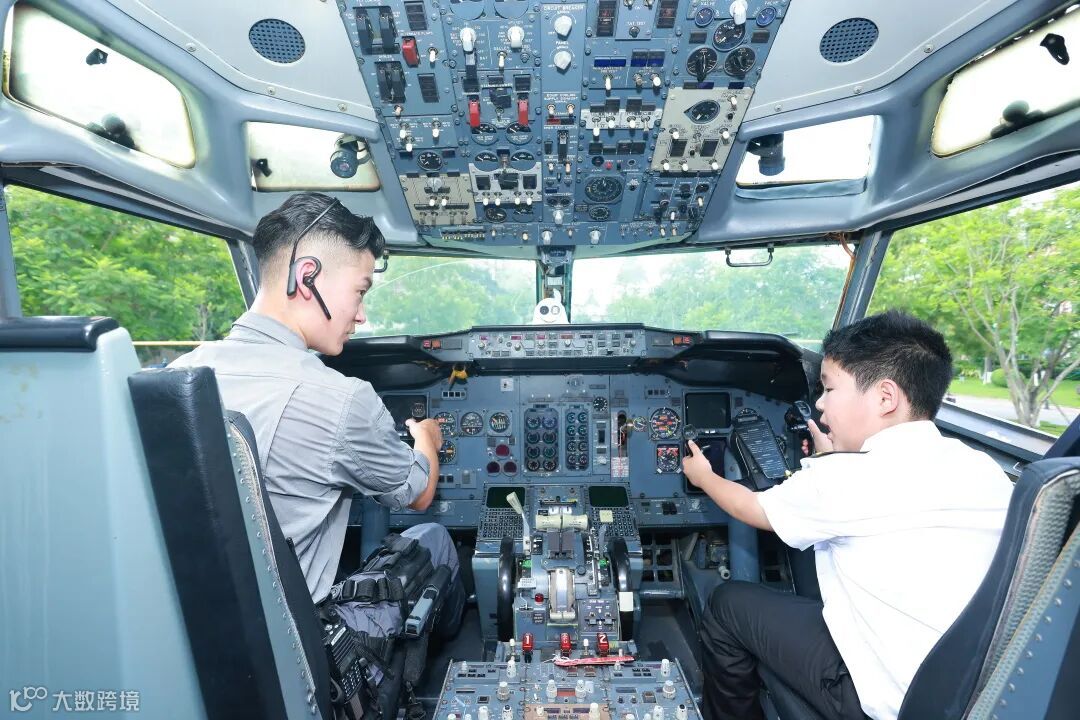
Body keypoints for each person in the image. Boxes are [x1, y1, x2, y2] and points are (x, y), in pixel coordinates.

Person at [681, 310, 1013, 720]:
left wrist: (704, 476)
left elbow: (747, 506)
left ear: (885, 397)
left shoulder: (844, 480)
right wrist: (833, 461)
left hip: (888, 701)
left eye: (829, 388)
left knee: (727, 604)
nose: (819, 404)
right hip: (978, 695)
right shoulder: (982, 467)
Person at [170, 192, 463, 634]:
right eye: (359, 291)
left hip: (203, 627)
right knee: (434, 538)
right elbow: (418, 493)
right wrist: (426, 438)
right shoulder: (340, 398)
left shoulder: (178, 375)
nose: (361, 316)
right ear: (307, 276)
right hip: (305, 645)